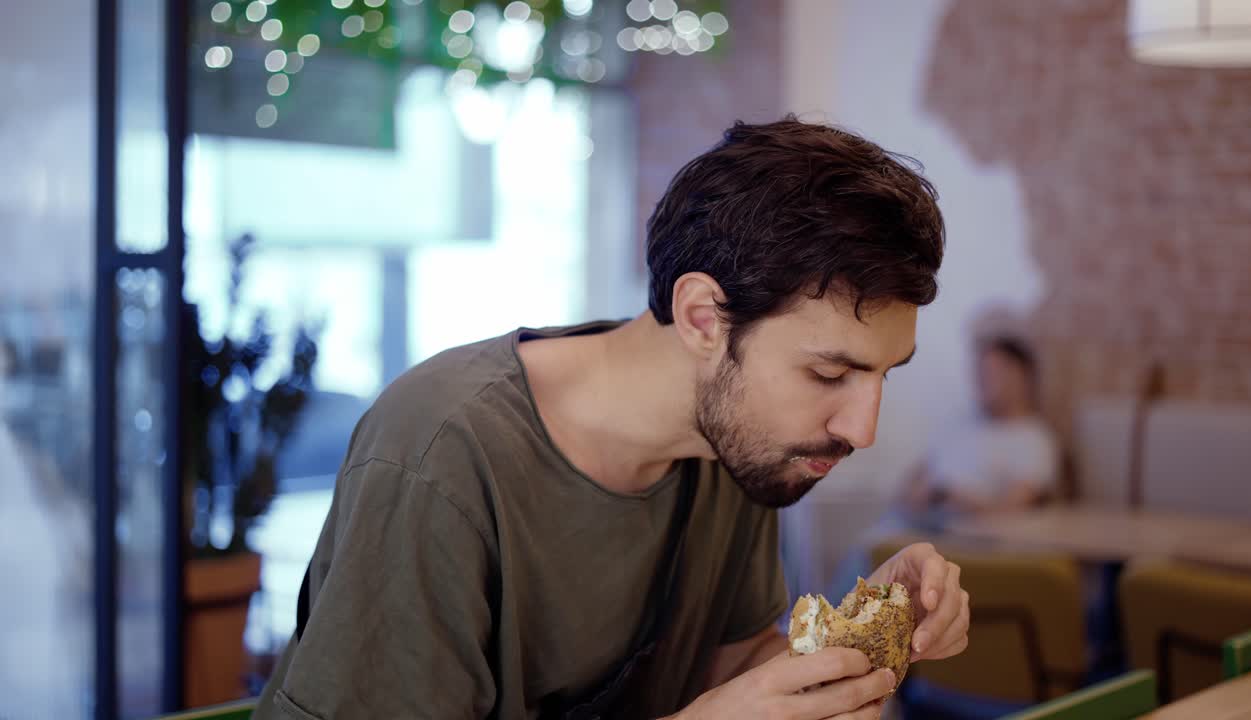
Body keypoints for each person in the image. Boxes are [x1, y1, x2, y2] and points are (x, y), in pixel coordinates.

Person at [253, 117, 971, 720]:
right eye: (828, 373)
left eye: (881, 375)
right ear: (701, 317)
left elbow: (729, 670)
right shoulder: (443, 450)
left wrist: (871, 641)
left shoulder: (745, 446)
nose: (861, 428)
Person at [901, 335, 1059, 518]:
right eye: (980, 372)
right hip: (909, 528)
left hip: (968, 540)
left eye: (993, 373)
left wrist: (948, 496)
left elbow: (1010, 511)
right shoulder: (957, 426)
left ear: (1021, 376)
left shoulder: (1034, 440)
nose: (982, 381)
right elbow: (909, 486)